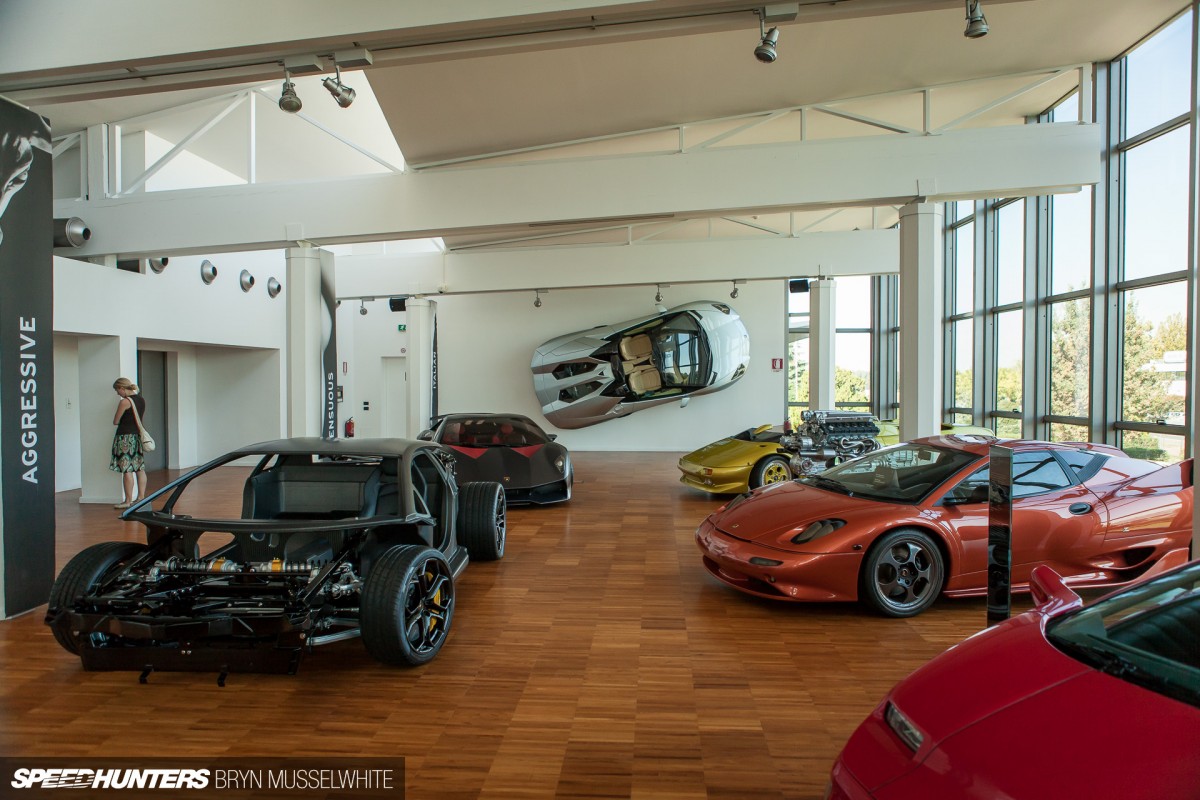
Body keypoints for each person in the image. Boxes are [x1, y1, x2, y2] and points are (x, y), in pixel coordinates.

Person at [110, 377, 148, 509]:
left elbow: (116, 421)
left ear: (122, 388)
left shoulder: (125, 402)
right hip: (136, 436)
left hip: (125, 438)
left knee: (127, 470)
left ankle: (127, 500)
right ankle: (141, 497)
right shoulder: (141, 400)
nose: (117, 393)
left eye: (117, 390)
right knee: (139, 468)